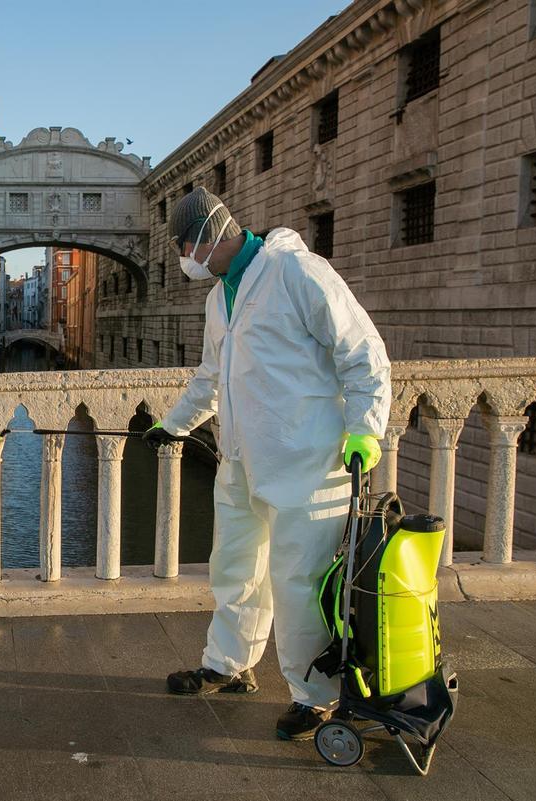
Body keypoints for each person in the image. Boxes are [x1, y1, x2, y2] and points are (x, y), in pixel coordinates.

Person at [144, 187, 390, 740]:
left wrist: (364, 430)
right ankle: (228, 665)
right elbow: (212, 377)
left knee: (298, 582)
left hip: (306, 461)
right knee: (234, 569)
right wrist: (174, 424)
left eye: (184, 246)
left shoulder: (298, 272)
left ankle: (316, 696)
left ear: (206, 235)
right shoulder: (217, 300)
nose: (185, 260)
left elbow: (362, 351)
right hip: (240, 460)